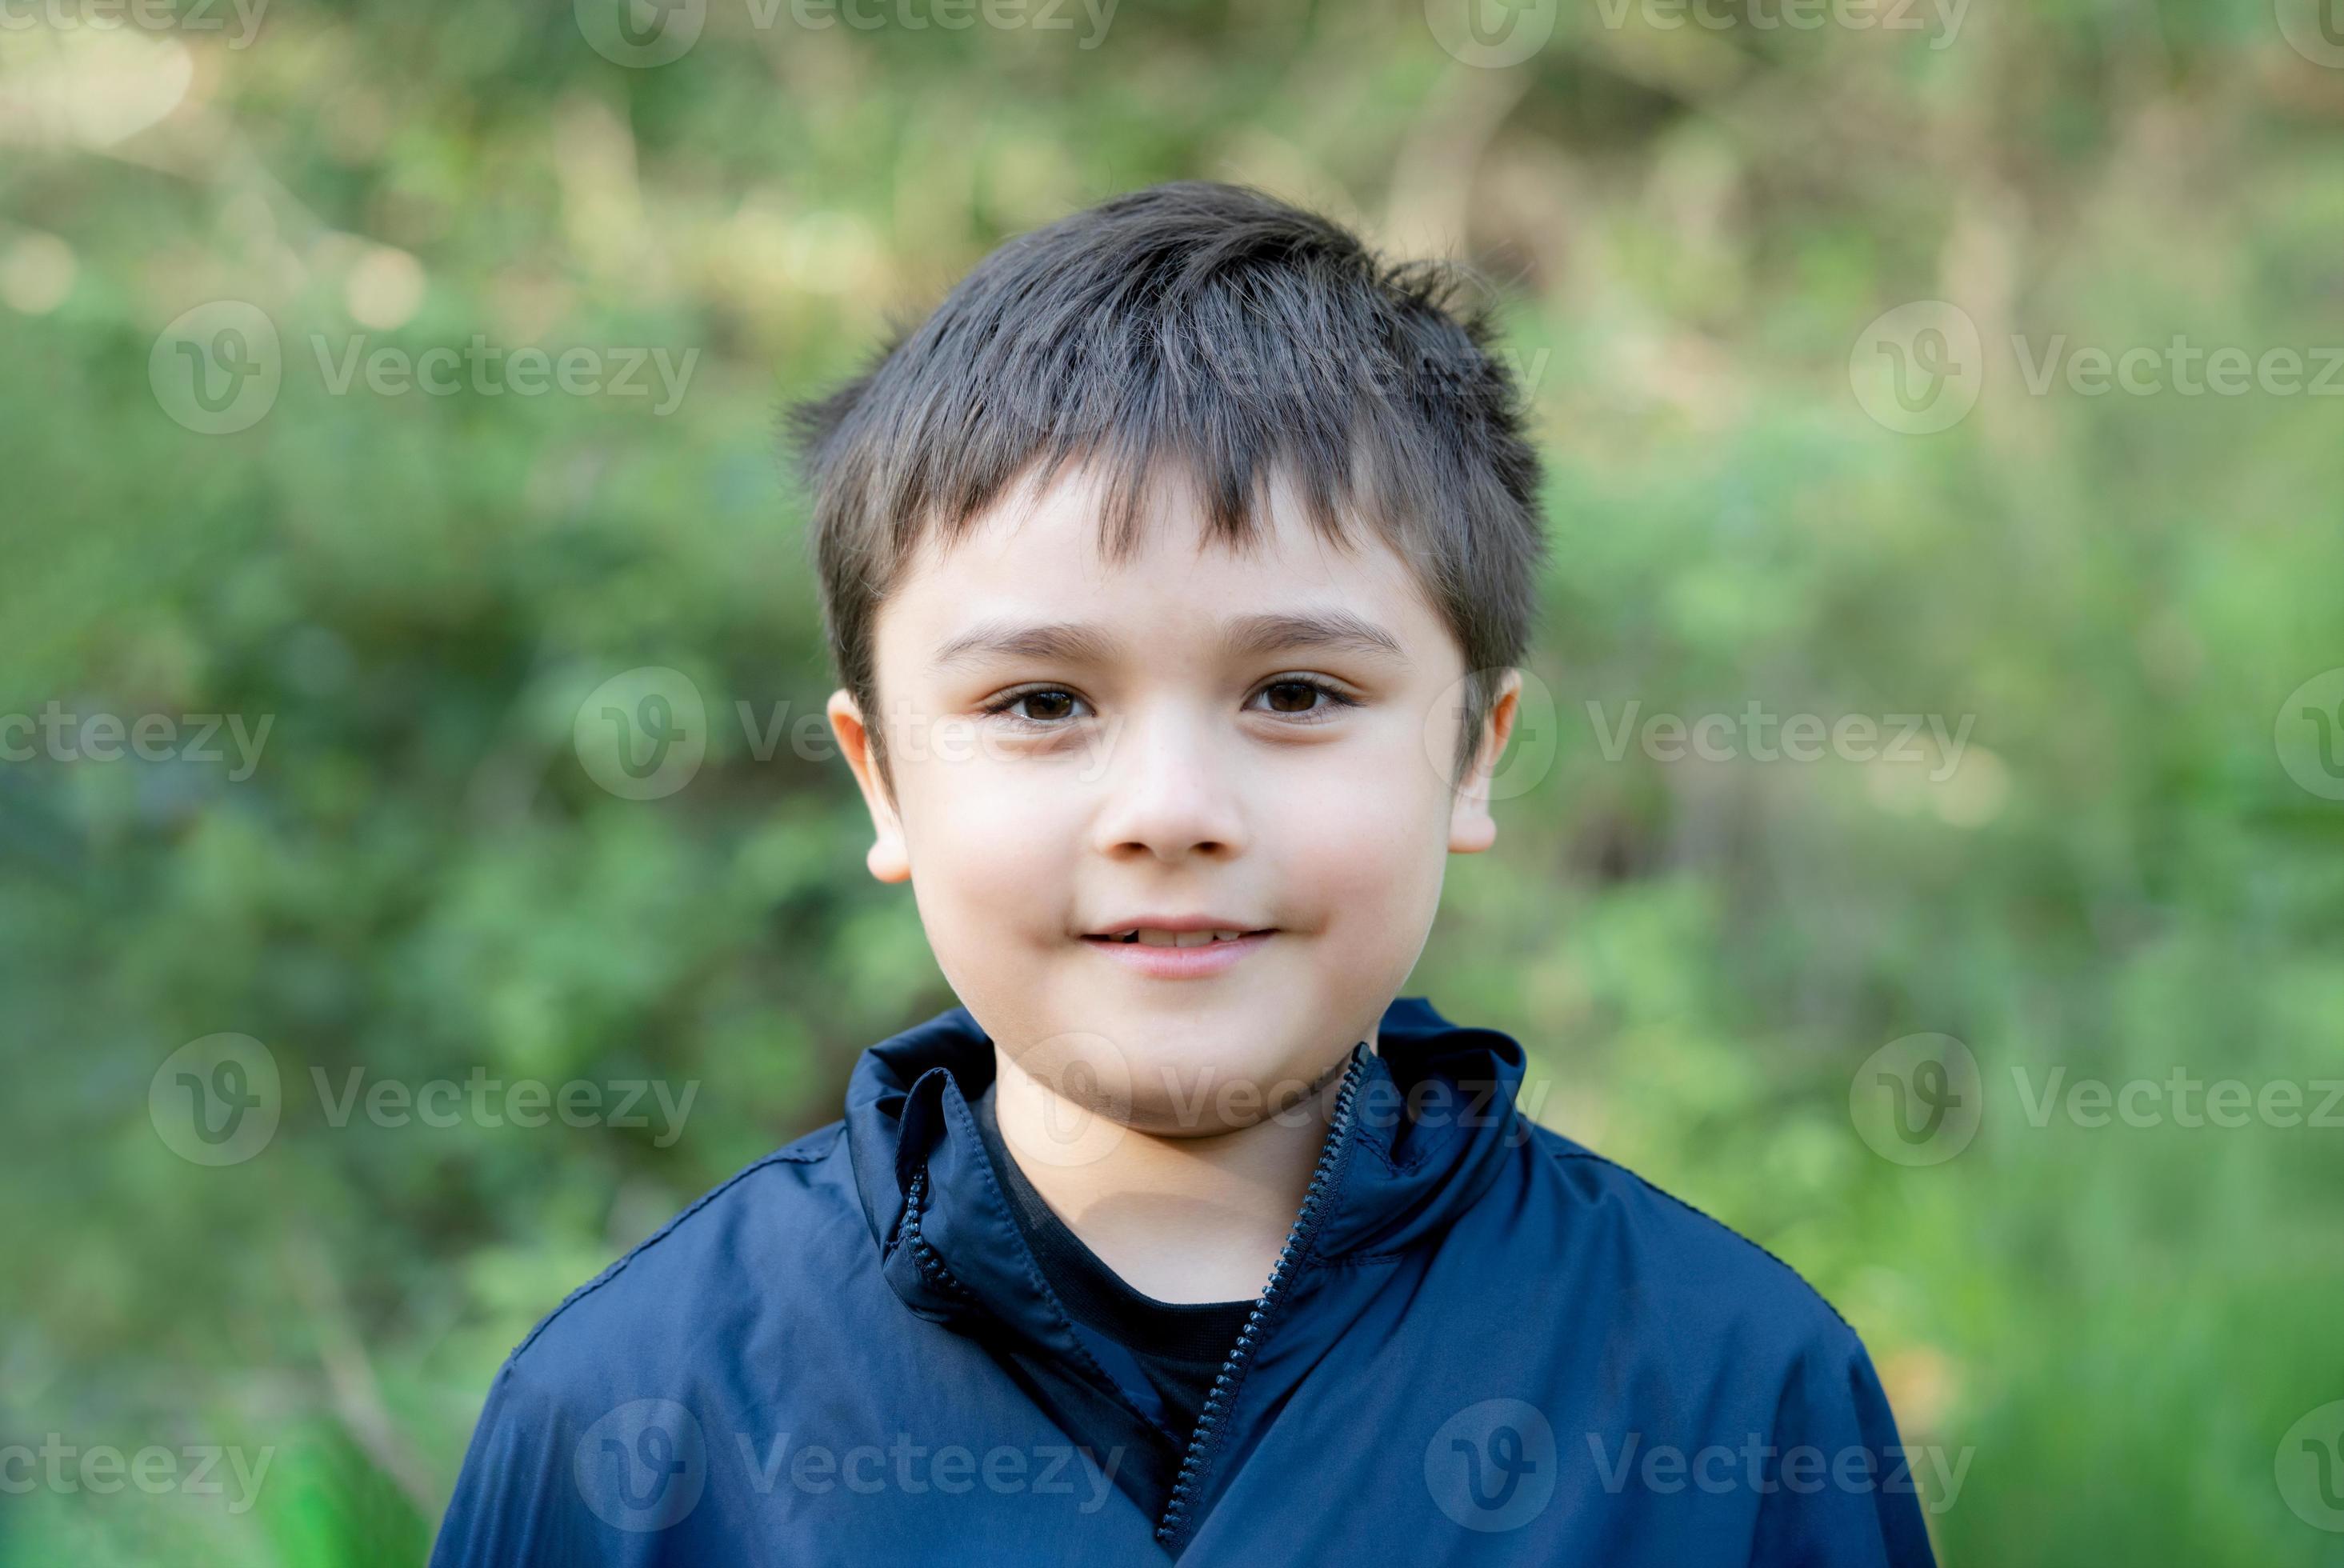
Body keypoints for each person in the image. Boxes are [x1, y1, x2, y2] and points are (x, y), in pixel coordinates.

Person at [429, 181, 1938, 1565]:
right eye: (1039, 705)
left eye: (1294, 693)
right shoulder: (635, 1422)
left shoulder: (1727, 1394)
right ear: (880, 773)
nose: (1168, 811)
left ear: (1474, 752)